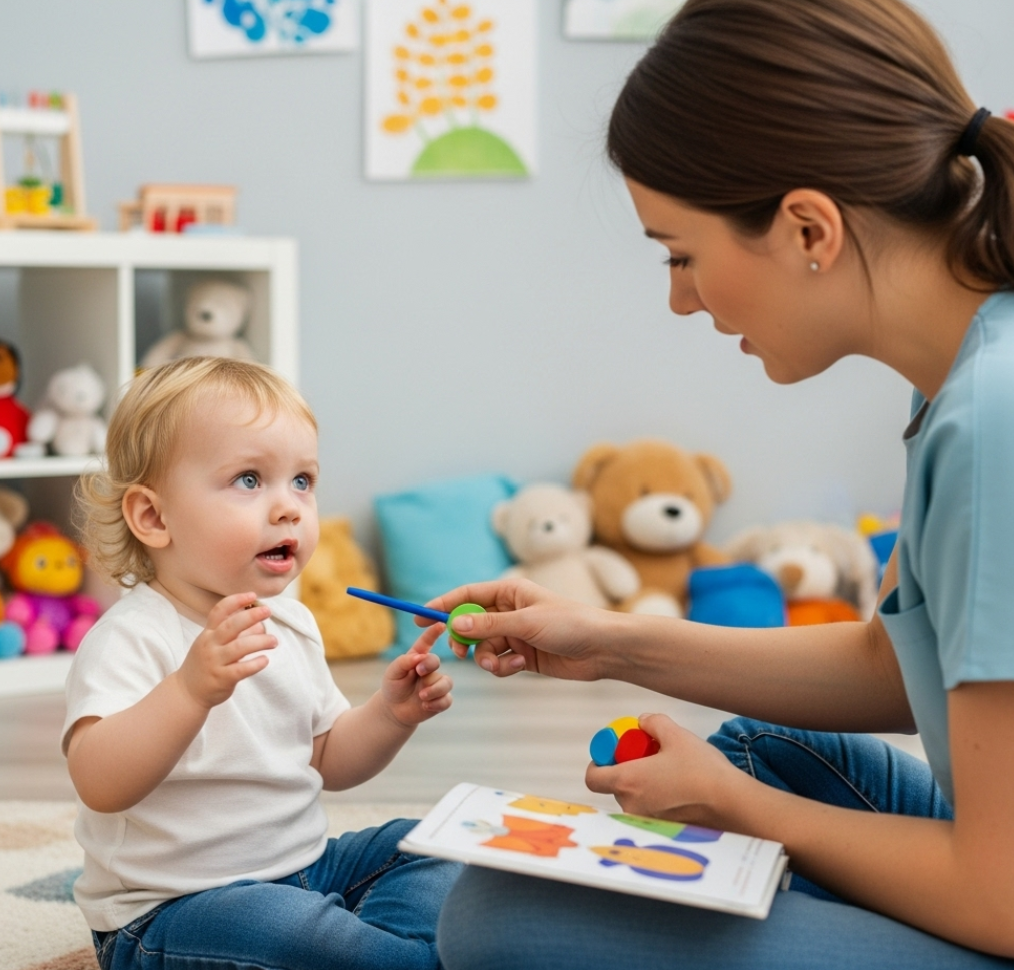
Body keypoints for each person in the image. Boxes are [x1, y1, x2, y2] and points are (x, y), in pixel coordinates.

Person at [432, 1, 1014, 967]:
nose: (680, 298)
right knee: (755, 750)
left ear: (807, 228)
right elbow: (902, 665)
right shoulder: (966, 371)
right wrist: (607, 640)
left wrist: (744, 812)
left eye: (682, 254)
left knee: (507, 918)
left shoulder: (992, 420)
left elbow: (1000, 894)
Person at [64, 356, 460, 970]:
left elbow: (328, 759)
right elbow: (99, 782)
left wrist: (390, 713)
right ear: (153, 516)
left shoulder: (292, 624)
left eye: (302, 480)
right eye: (249, 480)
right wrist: (191, 690)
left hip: (308, 870)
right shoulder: (131, 637)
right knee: (296, 934)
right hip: (175, 908)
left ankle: (385, 954)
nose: (289, 508)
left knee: (438, 849)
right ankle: (389, 954)